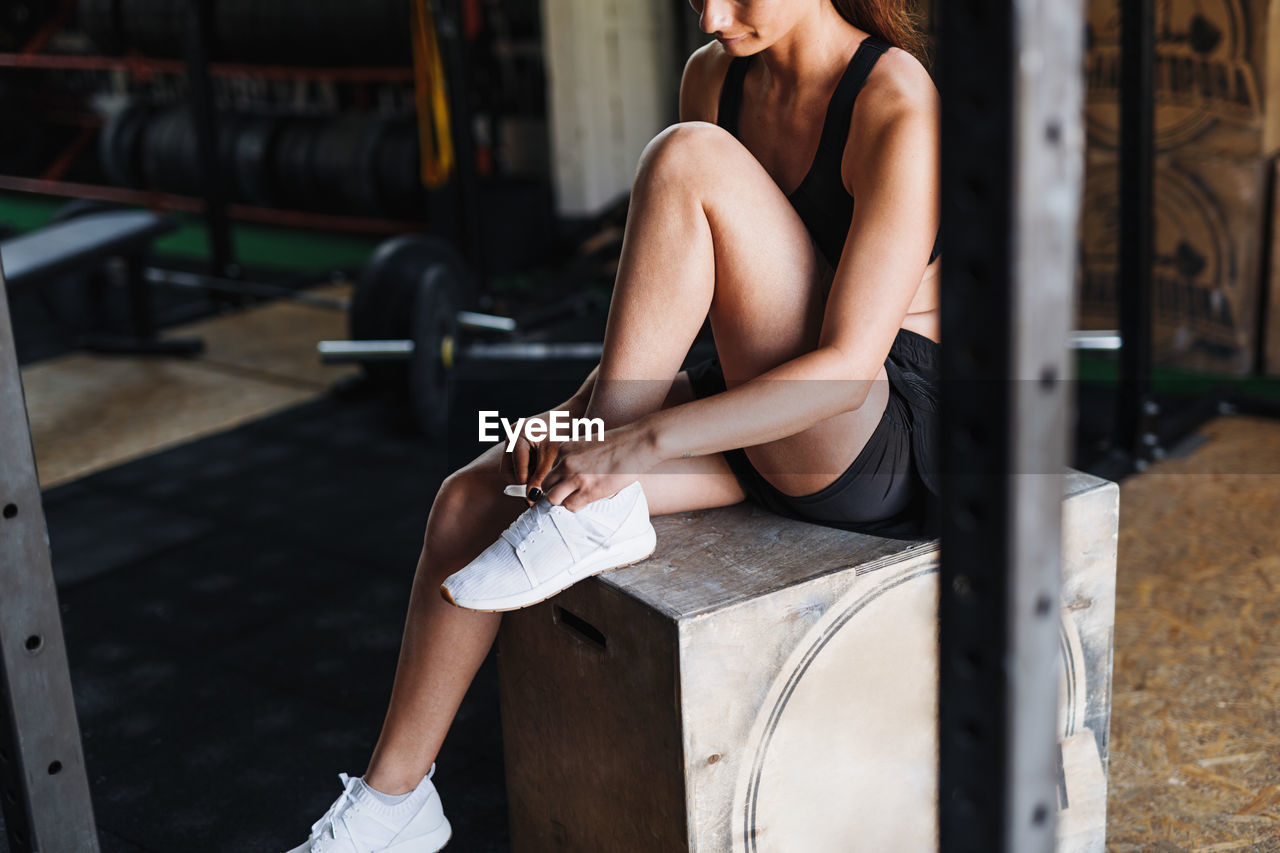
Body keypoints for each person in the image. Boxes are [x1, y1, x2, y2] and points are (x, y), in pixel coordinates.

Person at [286, 0, 941, 849]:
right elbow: (683, 313)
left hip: (864, 435)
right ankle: (392, 807)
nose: (711, 14)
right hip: (749, 405)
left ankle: (590, 505)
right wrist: (574, 420)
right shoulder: (716, 71)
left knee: (688, 159)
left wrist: (628, 443)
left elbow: (846, 367)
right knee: (470, 499)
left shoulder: (896, 101)